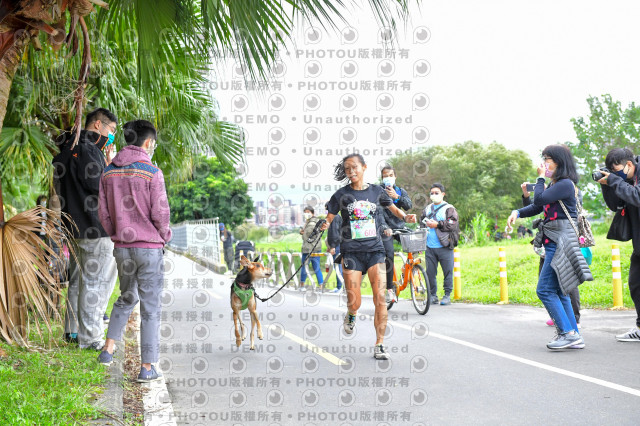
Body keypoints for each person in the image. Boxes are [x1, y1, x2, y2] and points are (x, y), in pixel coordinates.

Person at [321, 154, 417, 360]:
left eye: (354, 167)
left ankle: (379, 344)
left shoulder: (377, 191)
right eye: (347, 169)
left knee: (380, 298)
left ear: (364, 167)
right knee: (353, 301)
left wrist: (405, 217)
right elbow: (329, 217)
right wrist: (324, 224)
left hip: (375, 249)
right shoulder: (341, 195)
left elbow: (394, 208)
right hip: (352, 252)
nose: (351, 172)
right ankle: (352, 314)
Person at [97, 120, 172, 382]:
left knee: (127, 297)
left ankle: (107, 350)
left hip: (122, 249)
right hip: (149, 248)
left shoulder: (108, 172)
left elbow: (103, 214)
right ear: (148, 143)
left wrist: (117, 234)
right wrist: (165, 236)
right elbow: (160, 214)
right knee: (150, 308)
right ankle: (147, 368)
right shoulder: (152, 172)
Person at [507, 144, 592, 350]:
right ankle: (573, 334)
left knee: (544, 289)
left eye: (548, 159)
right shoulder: (558, 185)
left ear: (559, 162)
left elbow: (540, 198)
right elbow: (538, 206)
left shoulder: (564, 184)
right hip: (555, 240)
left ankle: (567, 333)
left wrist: (540, 178)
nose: (544, 163)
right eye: (544, 158)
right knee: (559, 291)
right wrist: (517, 212)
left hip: (560, 241)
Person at [53, 108, 119, 349]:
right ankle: (91, 338)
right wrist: (110, 166)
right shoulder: (90, 150)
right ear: (98, 125)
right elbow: (100, 186)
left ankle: (72, 331)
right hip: (95, 227)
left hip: (73, 227)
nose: (111, 136)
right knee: (97, 282)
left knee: (79, 281)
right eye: (111, 131)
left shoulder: (66, 150)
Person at [522, 180, 583, 328]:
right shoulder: (552, 187)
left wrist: (540, 182)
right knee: (553, 286)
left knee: (563, 283)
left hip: (563, 240)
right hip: (549, 239)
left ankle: (572, 323)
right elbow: (537, 206)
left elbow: (542, 200)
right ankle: (569, 329)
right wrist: (526, 195)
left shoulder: (568, 187)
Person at [597, 148, 640, 342]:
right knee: (636, 284)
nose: (615, 175)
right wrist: (607, 185)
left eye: (617, 170)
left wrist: (615, 181)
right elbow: (616, 206)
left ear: (629, 165)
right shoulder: (624, 179)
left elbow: (637, 197)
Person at [420, 183, 459, 306]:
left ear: (443, 194)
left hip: (445, 246)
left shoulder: (449, 208)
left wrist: (437, 224)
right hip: (429, 247)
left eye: (437, 193)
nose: (434, 195)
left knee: (448, 271)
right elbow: (421, 224)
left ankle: (447, 295)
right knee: (430, 273)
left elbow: (452, 224)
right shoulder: (427, 209)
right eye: (432, 193)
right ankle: (433, 296)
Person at [379, 165, 413, 304]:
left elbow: (408, 206)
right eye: (385, 176)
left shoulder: (400, 190)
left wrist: (397, 197)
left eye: (391, 175)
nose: (388, 178)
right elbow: (378, 212)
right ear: (382, 178)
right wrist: (384, 227)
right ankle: (389, 289)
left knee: (414, 240)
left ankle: (412, 269)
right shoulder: (377, 191)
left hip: (399, 226)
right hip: (385, 228)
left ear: (395, 177)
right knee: (389, 254)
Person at [299, 206, 324, 291]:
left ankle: (302, 285)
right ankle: (321, 286)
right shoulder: (316, 222)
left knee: (304, 268)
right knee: (317, 268)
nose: (306, 214)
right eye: (305, 212)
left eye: (308, 212)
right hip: (317, 248)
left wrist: (302, 233)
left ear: (312, 213)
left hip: (308, 248)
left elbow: (307, 236)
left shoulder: (311, 223)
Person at [325, 210, 344, 293]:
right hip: (336, 245)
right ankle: (340, 286)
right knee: (338, 267)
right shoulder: (335, 217)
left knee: (338, 267)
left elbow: (334, 233)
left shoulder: (334, 217)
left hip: (336, 245)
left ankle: (340, 287)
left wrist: (333, 246)